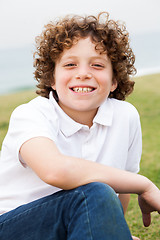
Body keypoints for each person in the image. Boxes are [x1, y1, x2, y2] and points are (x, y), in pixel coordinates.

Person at [0, 12, 160, 240]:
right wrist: (144, 185)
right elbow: (55, 170)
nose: (83, 73)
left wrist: (111, 231)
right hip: (13, 227)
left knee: (99, 195)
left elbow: (120, 188)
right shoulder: (30, 114)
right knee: (96, 192)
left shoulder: (126, 116)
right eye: (70, 64)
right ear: (52, 78)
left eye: (97, 65)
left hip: (73, 228)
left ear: (114, 80)